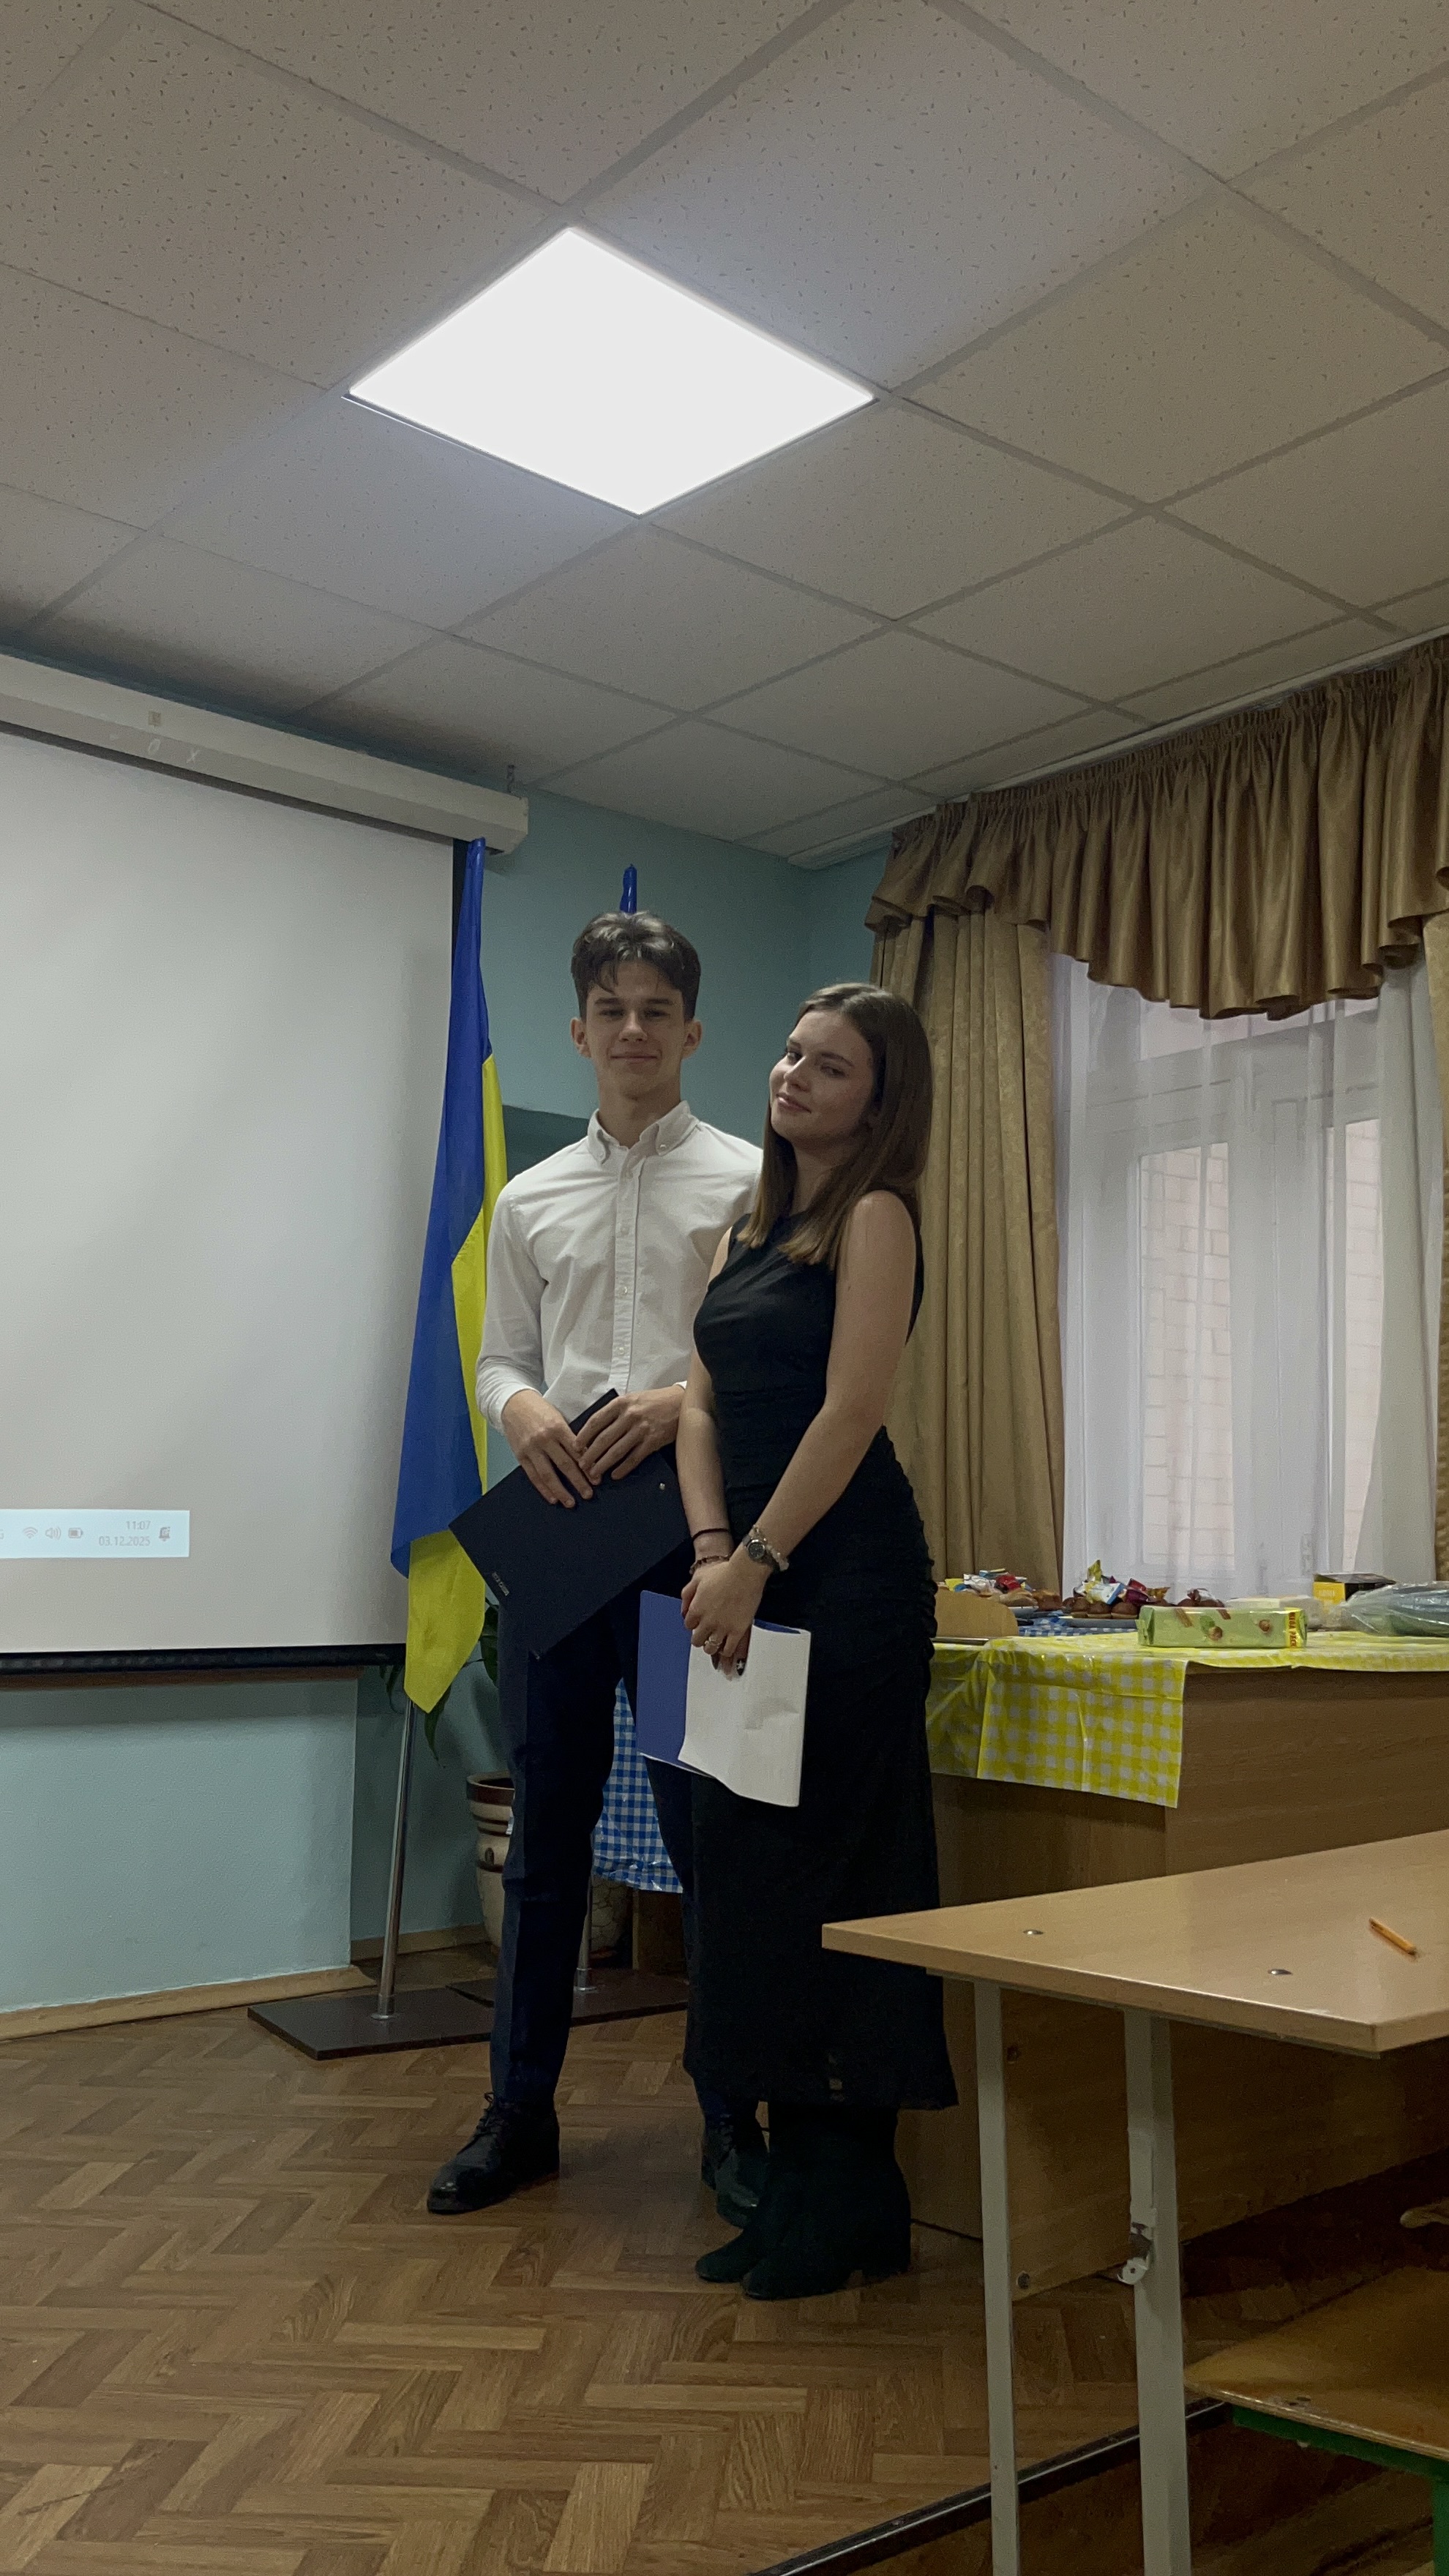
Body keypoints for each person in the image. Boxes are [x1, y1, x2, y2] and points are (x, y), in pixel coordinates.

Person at [427, 910, 764, 2220]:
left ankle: (732, 2120)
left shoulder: (749, 1182)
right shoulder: (530, 1198)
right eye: (610, 1011)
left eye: (655, 1011)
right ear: (579, 1032)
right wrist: (519, 1411)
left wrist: (682, 1403)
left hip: (691, 1544)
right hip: (561, 1541)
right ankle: (519, 2116)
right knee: (546, 1838)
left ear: (692, 1030)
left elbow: (766, 1356)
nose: (633, 1030)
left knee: (709, 1835)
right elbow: (500, 1358)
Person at [674, 980, 956, 2300]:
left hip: (843, 1585)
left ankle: (853, 2206)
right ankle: (794, 2191)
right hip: (744, 1578)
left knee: (839, 1884)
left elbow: (852, 1411)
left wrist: (762, 1560)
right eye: (791, 1054)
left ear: (879, 1099)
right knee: (754, 1895)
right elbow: (699, 1409)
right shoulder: (745, 1226)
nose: (792, 1075)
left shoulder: (877, 1214)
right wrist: (711, 1554)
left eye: (829, 1066)